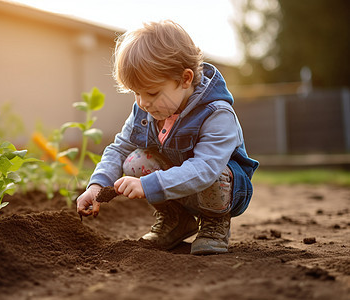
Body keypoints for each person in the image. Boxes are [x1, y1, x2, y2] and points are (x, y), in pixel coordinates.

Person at [77, 20, 259, 255]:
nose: (142, 102)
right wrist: (97, 186)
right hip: (178, 189)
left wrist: (148, 185)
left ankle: (214, 225)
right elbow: (119, 147)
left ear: (185, 79)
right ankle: (176, 220)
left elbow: (205, 168)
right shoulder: (146, 111)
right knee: (135, 160)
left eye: (151, 92)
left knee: (215, 170)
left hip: (224, 191)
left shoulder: (216, 113)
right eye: (136, 93)